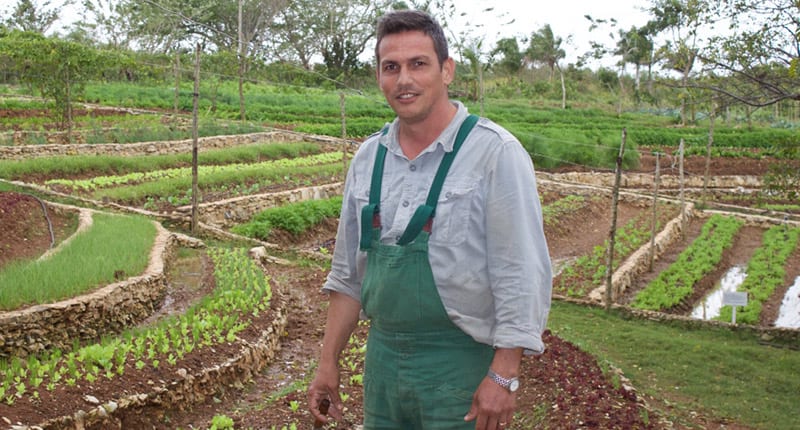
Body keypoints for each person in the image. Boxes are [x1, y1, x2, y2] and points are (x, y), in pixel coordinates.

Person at [307, 9, 552, 430]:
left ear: (447, 70)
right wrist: (327, 362)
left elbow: (520, 272)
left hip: (459, 365)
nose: (404, 80)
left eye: (418, 64)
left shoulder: (494, 154)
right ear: (380, 76)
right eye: (391, 67)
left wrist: (503, 373)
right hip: (382, 364)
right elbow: (348, 275)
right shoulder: (368, 158)